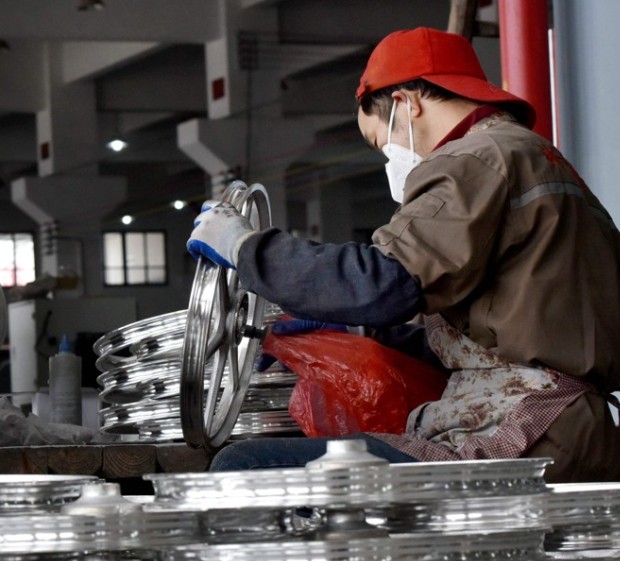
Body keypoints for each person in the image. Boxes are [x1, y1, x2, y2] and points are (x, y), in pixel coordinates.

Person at [187, 27, 620, 482]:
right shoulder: (534, 157)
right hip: (571, 422)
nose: (390, 160)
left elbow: (384, 282)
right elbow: (500, 330)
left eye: (381, 143)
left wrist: (243, 246)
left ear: (407, 102)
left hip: (523, 428)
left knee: (242, 468)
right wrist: (358, 331)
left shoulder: (474, 158)